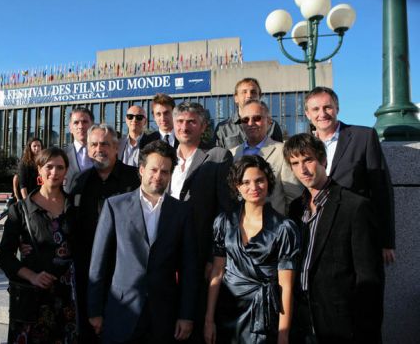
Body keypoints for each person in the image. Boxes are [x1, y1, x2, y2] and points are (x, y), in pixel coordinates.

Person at [88, 140, 198, 344]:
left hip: (164, 316)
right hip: (121, 312)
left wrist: (186, 315)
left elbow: (189, 268)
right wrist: (94, 310)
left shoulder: (182, 212)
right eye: (153, 169)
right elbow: (98, 264)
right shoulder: (115, 206)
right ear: (141, 170)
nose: (158, 176)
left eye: (165, 171)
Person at [284, 133, 384, 343]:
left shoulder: (355, 207)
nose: (302, 169)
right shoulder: (294, 209)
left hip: (342, 324)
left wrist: (366, 332)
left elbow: (369, 279)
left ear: (323, 160)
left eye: (308, 160)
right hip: (301, 321)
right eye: (295, 163)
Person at [205, 155, 300, 344]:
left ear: (268, 182)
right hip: (228, 309)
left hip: (265, 317)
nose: (254, 187)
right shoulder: (223, 222)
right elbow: (217, 272)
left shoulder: (284, 227)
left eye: (259, 180)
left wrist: (283, 334)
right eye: (246, 182)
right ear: (237, 186)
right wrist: (209, 319)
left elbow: (286, 286)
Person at [304, 86, 395, 264]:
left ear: (337, 108)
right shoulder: (304, 145)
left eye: (327, 107)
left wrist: (386, 241)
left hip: (357, 233)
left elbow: (381, 190)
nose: (322, 113)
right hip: (317, 234)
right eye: (315, 109)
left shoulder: (364, 137)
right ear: (307, 114)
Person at [0, 147, 78, 343]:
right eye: (49, 167)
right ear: (39, 169)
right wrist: (32, 276)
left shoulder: (75, 207)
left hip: (68, 299)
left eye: (60, 167)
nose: (54, 172)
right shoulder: (21, 210)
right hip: (32, 301)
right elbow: (4, 255)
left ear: (66, 171)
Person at [69, 124, 140, 344]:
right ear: (88, 149)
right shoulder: (79, 181)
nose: (100, 149)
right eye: (94, 144)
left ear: (116, 148)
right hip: (87, 270)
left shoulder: (134, 179)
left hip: (123, 270)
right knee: (88, 330)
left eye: (105, 144)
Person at [169, 101, 233, 343]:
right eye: (180, 122)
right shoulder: (164, 158)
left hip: (200, 255)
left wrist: (213, 257)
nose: (185, 127)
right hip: (167, 256)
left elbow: (225, 211)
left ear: (203, 126)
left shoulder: (217, 156)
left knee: (196, 324)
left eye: (191, 122)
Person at [230, 99, 302, 215]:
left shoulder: (283, 152)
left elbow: (294, 198)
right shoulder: (232, 154)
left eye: (257, 118)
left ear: (269, 121)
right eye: (245, 119)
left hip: (273, 228)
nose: (251, 123)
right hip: (239, 228)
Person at [213, 78, 283, 150]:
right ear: (236, 98)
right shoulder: (223, 128)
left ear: (260, 96)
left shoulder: (272, 125)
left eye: (253, 92)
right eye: (244, 92)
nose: (249, 95)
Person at [64, 107, 94, 194]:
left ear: (92, 125)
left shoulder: (103, 153)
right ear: (70, 128)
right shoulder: (62, 155)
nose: (80, 126)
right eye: (76, 123)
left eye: (85, 122)